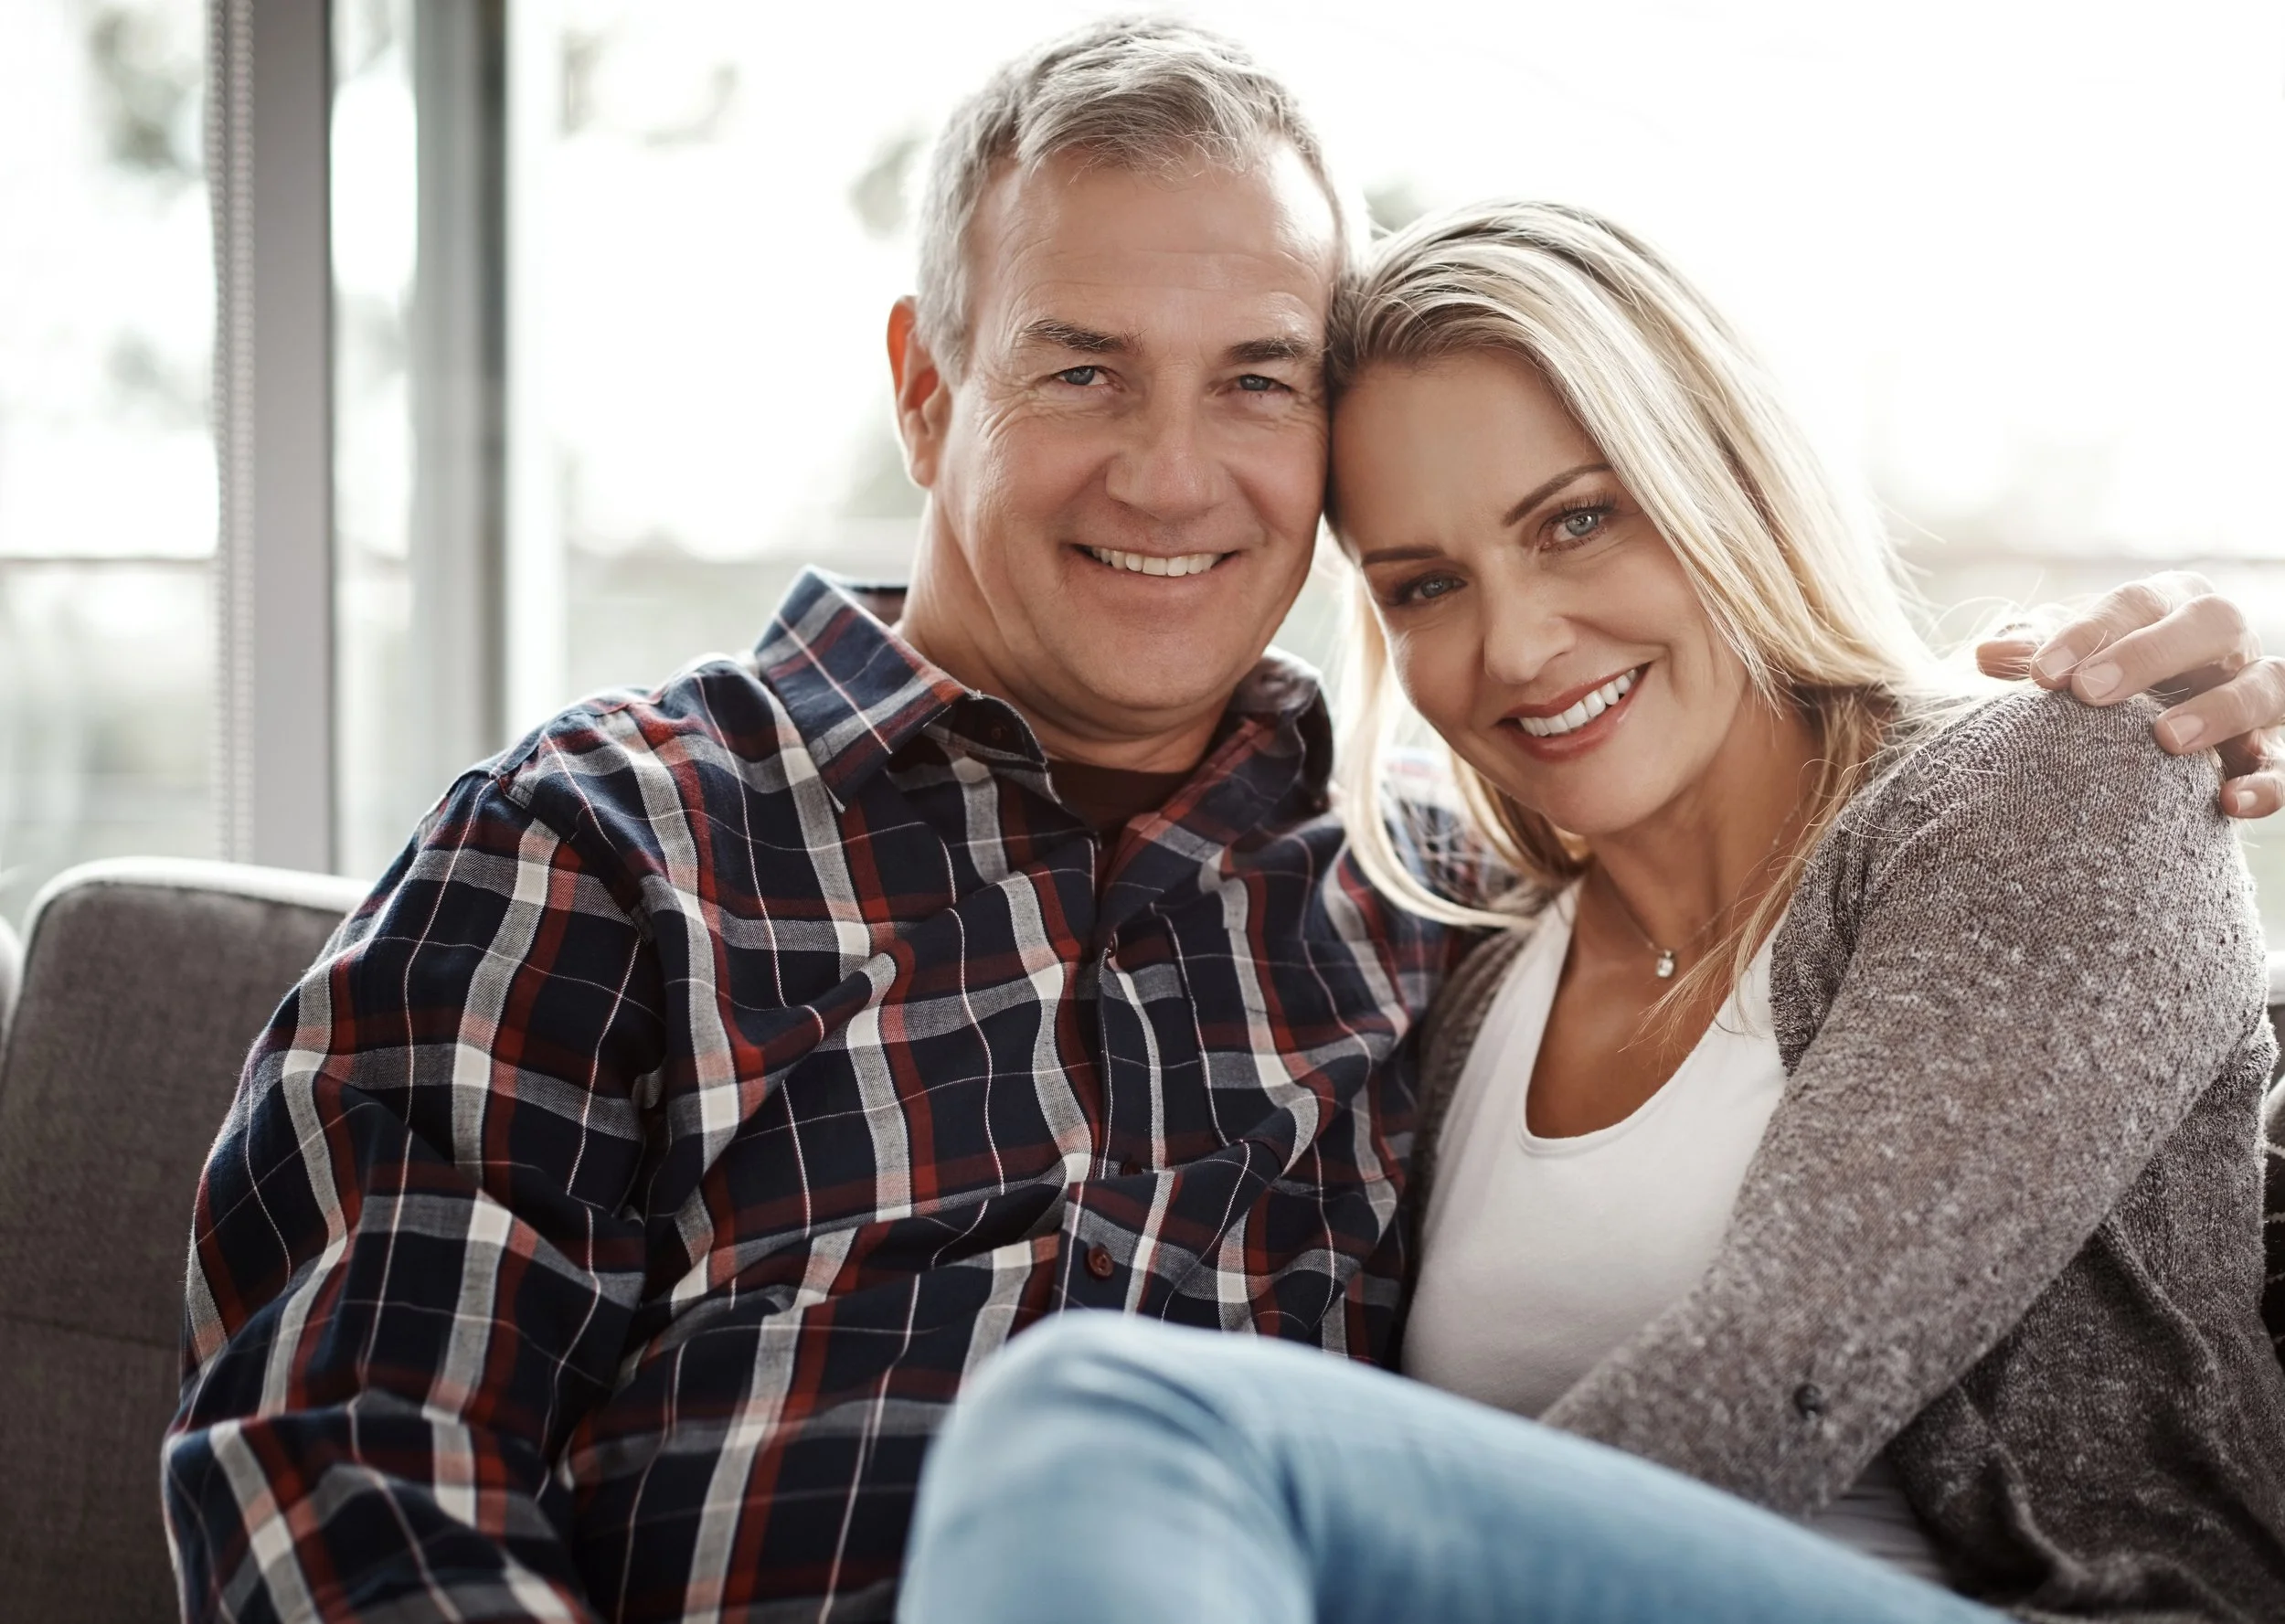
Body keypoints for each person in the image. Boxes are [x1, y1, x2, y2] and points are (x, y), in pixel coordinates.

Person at [164, 22, 2285, 1624]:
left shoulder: (1400, 890)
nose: (1173, 478)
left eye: (1257, 380)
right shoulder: (605, 839)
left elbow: (1975, 1184)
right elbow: (348, 1464)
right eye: (1083, 371)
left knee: (1112, 1416)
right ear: (928, 388)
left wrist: (2128, 723)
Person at [896, 199, 2285, 1622]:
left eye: (1577, 521)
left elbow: (1786, 1374)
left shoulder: (2055, 776)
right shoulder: (1472, 971)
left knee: (1107, 1422)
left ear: (1725, 479)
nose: (1515, 644)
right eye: (1426, 585)